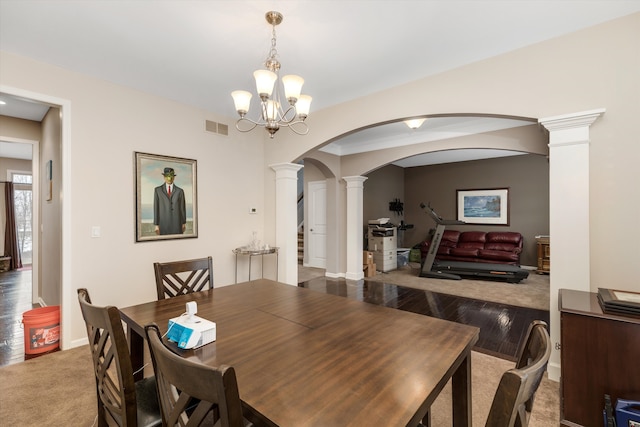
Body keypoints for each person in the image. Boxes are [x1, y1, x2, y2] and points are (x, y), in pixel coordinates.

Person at [153, 167, 186, 235]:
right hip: (163, 224)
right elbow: (156, 208)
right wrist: (156, 225)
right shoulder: (157, 190)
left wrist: (183, 223)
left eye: (171, 176)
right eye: (167, 176)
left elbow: (182, 209)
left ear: (174, 177)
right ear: (164, 177)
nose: (169, 178)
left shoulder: (180, 191)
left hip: (177, 224)